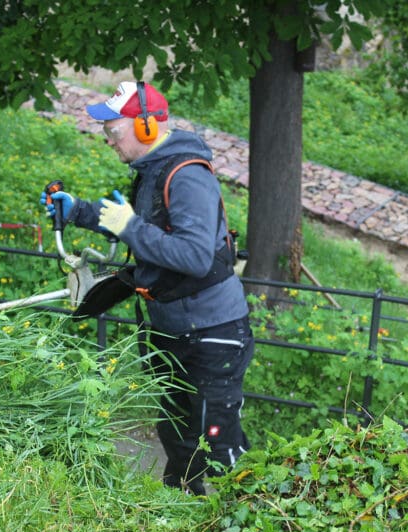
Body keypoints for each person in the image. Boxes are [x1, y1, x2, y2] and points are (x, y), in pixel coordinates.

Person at [39, 81, 253, 495]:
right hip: (172, 328)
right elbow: (142, 227)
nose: (107, 141)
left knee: (217, 440)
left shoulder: (187, 176)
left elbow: (194, 257)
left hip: (212, 333)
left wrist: (128, 225)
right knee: (176, 432)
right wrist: (80, 210)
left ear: (147, 127)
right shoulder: (152, 171)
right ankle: (181, 514)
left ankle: (249, 524)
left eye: (113, 131)